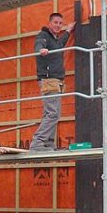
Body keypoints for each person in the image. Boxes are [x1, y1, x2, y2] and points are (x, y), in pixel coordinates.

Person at [29, 12, 76, 151]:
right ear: (49, 23)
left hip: (57, 80)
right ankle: (37, 143)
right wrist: (41, 50)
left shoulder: (55, 40)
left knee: (51, 113)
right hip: (49, 79)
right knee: (53, 113)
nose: (58, 25)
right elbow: (39, 44)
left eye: (60, 23)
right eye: (55, 22)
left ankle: (48, 144)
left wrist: (68, 30)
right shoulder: (44, 36)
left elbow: (61, 43)